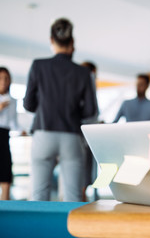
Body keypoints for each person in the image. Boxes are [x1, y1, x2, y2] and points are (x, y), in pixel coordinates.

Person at [23, 18, 97, 202]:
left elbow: (28, 104)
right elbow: (90, 111)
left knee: (38, 194)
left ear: (51, 40)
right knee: (73, 196)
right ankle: (71, 231)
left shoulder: (38, 66)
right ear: (72, 43)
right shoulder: (83, 73)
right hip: (71, 136)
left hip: (43, 133)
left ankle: (38, 231)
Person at [0, 67, 25, 200]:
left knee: (5, 174)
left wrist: (22, 131)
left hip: (4, 138)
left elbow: (13, 123)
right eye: (1, 78)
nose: (3, 81)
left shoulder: (12, 101)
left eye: (6, 78)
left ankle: (3, 210)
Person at [81, 61, 100, 202]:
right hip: (82, 138)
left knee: (86, 174)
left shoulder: (89, 90)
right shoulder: (83, 87)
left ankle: (85, 200)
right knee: (82, 175)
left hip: (89, 138)